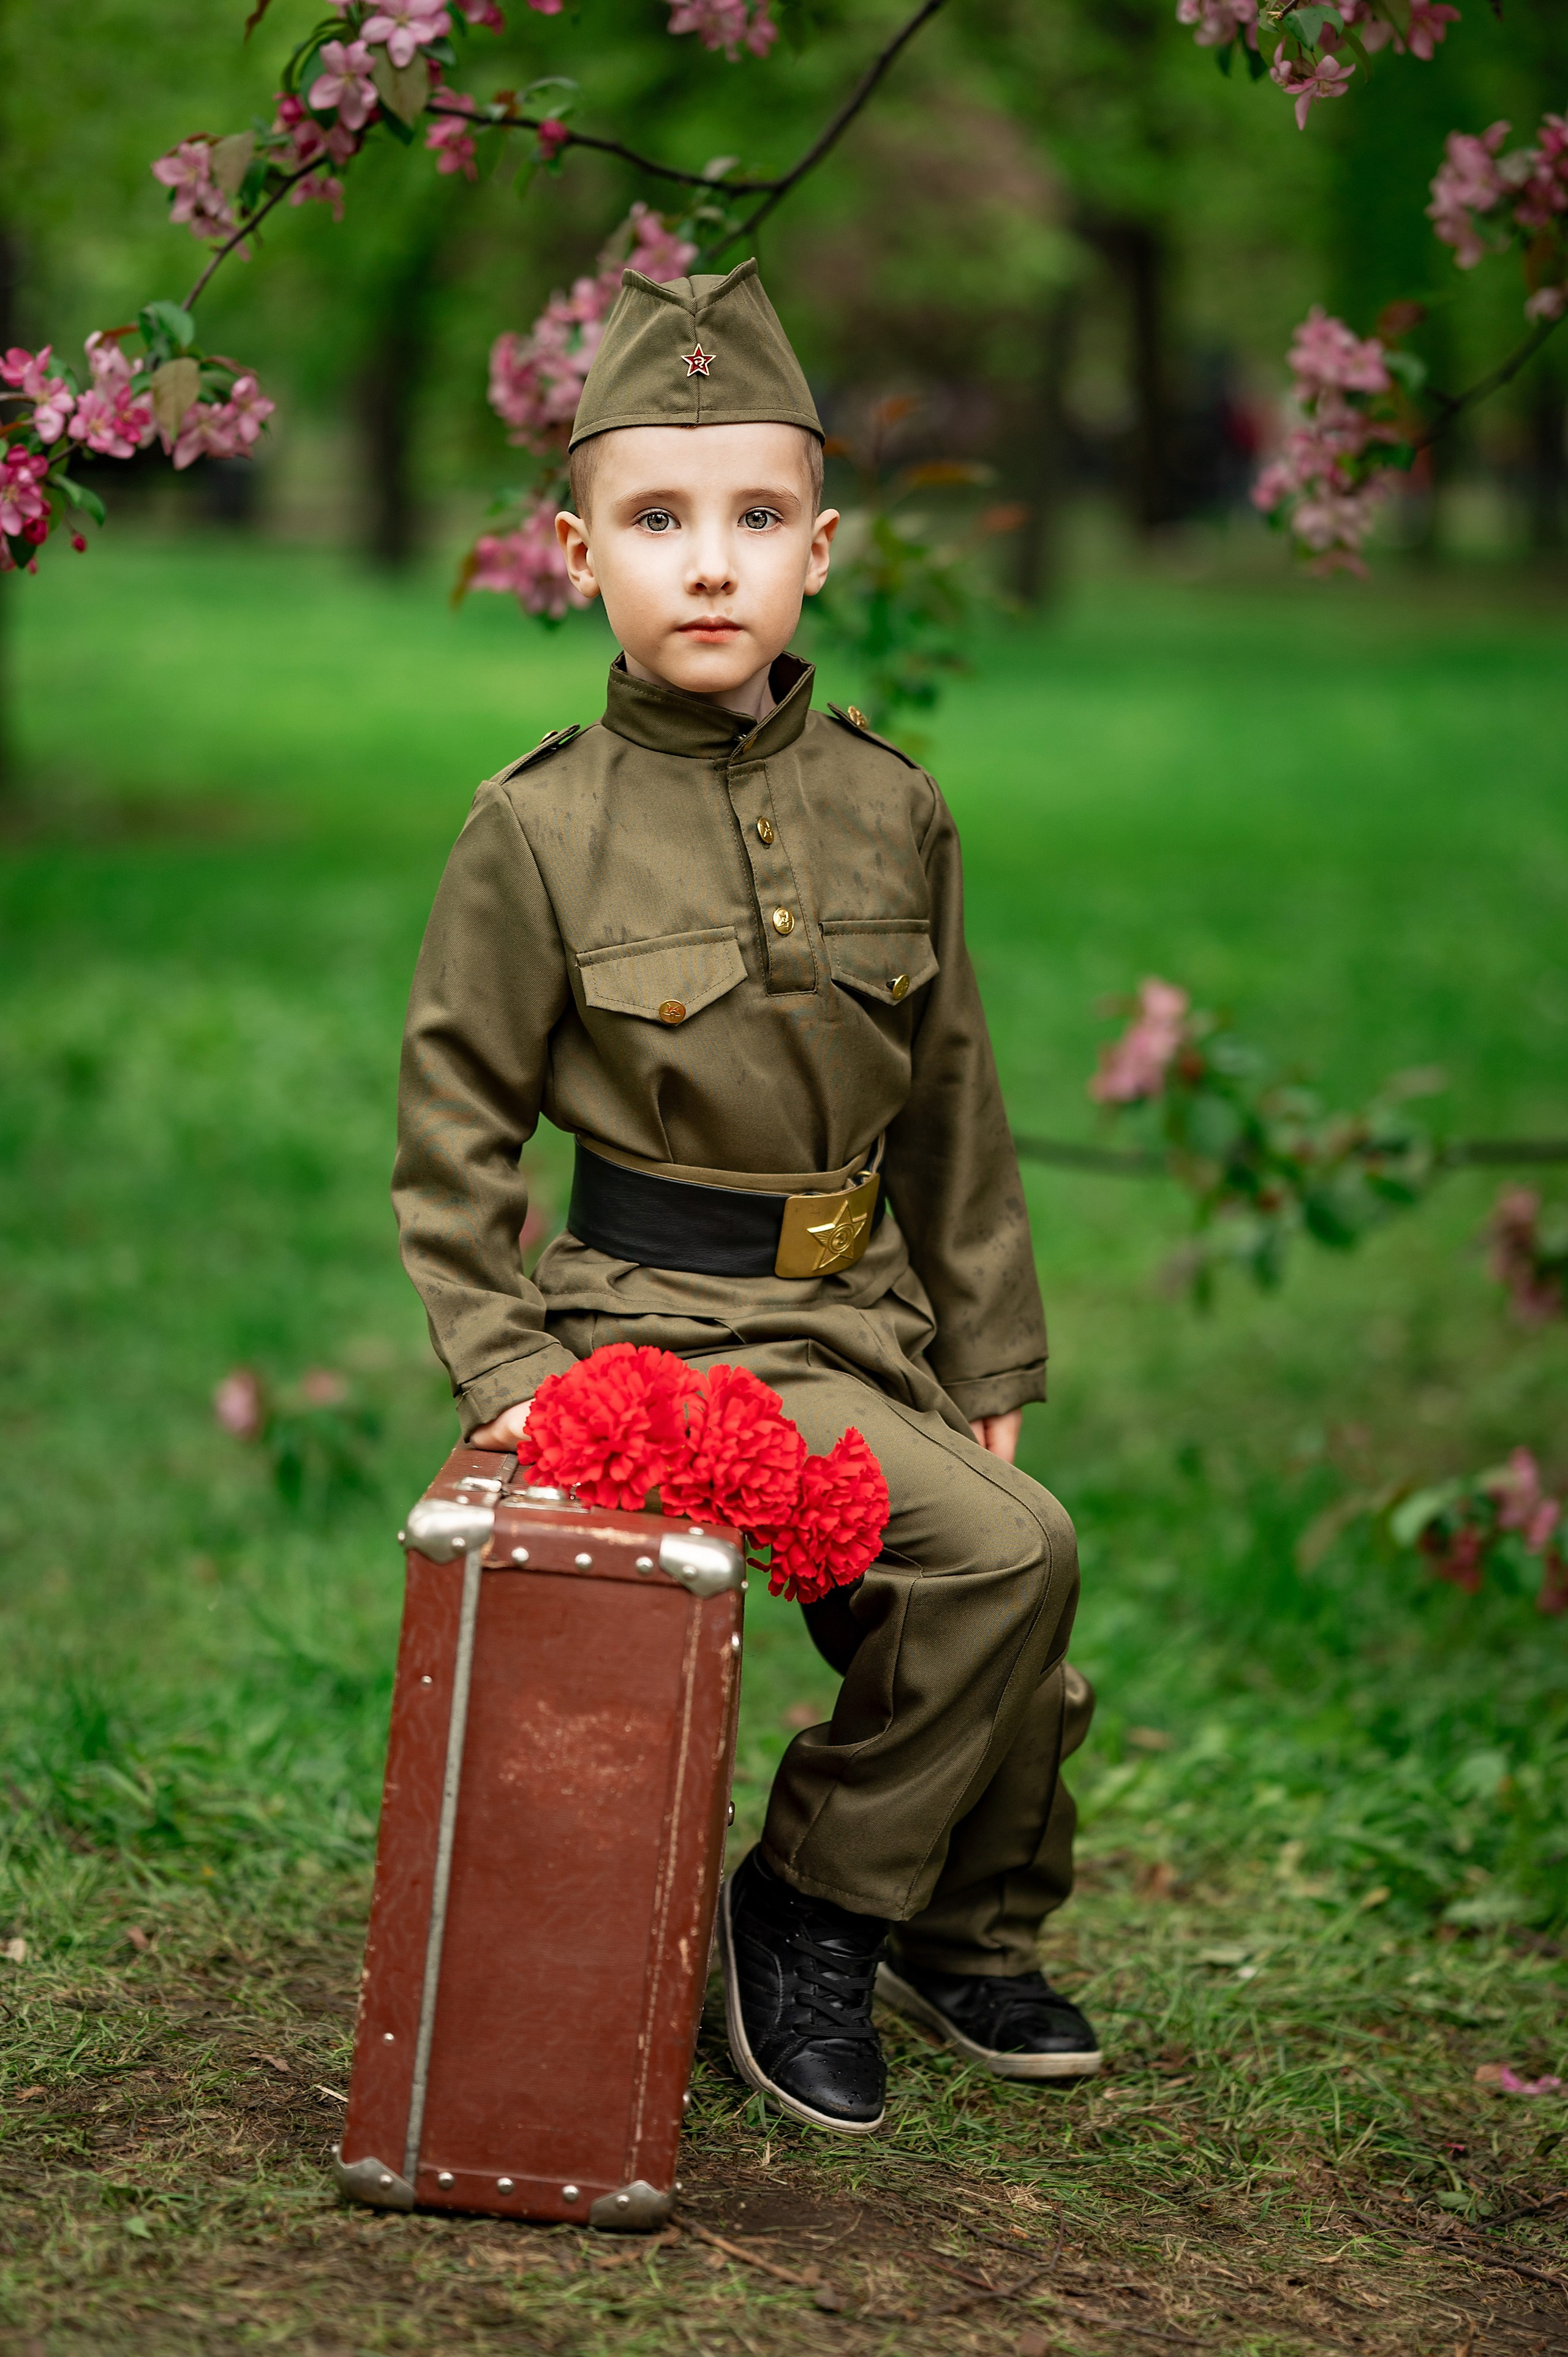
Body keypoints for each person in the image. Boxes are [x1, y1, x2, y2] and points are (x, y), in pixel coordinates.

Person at [393, 257, 1099, 2135]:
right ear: (576, 554)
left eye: (756, 519)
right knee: (1003, 1556)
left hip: (864, 1313)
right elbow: (453, 1126)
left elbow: (953, 1102)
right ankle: (805, 1906)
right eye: (656, 520)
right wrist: (507, 1368)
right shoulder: (536, 826)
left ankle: (964, 1927)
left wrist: (988, 1344)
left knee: (1002, 1603)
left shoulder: (896, 805)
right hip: (666, 1323)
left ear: (822, 549)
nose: (710, 565)